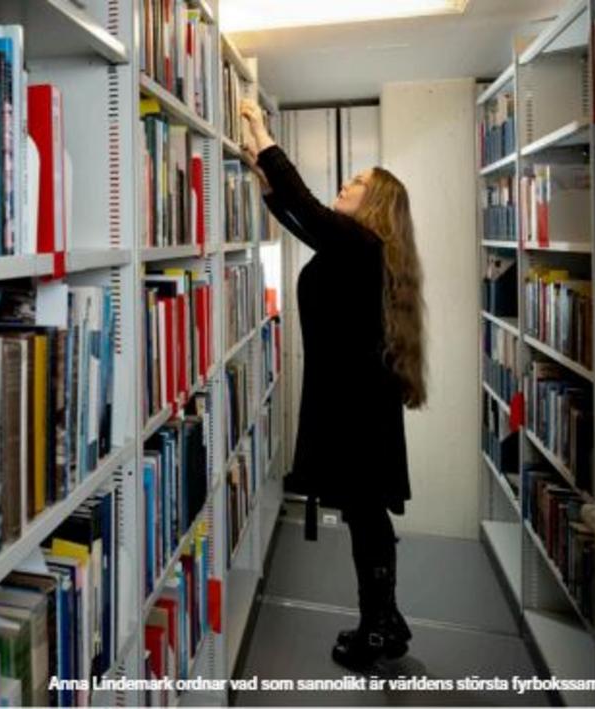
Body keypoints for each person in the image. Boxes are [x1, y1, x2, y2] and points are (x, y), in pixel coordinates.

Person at [239, 99, 427, 672]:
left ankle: (377, 629)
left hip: (354, 409)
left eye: (356, 181)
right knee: (366, 515)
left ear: (376, 204)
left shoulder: (359, 245)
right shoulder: (357, 250)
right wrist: (264, 180)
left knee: (365, 516)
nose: (346, 184)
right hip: (354, 404)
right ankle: (386, 621)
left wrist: (263, 132)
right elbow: (300, 219)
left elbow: (309, 212)